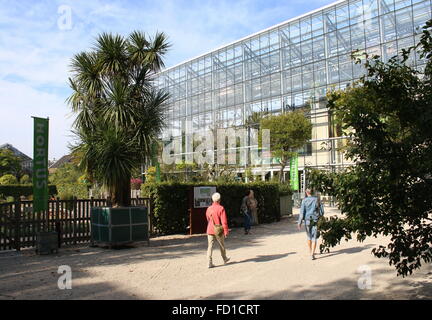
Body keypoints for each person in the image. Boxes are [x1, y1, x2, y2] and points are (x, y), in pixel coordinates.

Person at [297, 189, 324, 260]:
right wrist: (319, 216)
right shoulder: (317, 200)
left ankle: (310, 251)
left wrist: (299, 222)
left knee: (309, 236)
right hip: (315, 220)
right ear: (313, 192)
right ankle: (312, 253)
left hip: (307, 220)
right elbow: (322, 211)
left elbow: (302, 213)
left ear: (306, 193)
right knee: (314, 237)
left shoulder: (304, 201)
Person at [206, 192, 230, 268]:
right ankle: (225, 259)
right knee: (221, 245)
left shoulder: (209, 208)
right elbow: (224, 221)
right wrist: (226, 231)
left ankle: (209, 262)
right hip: (218, 229)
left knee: (210, 246)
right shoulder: (221, 208)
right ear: (219, 200)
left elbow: (208, 218)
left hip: (210, 229)